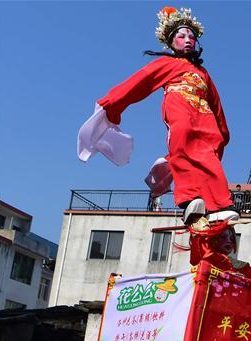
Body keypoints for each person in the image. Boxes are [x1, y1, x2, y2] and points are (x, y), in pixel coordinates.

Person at [78, 7, 235, 226]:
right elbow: (140, 82)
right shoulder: (167, 64)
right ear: (171, 42)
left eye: (191, 36)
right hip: (180, 112)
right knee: (181, 146)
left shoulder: (203, 74)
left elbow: (217, 105)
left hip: (205, 117)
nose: (188, 40)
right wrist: (111, 103)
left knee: (208, 155)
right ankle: (189, 199)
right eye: (181, 36)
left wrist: (223, 133)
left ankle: (219, 204)